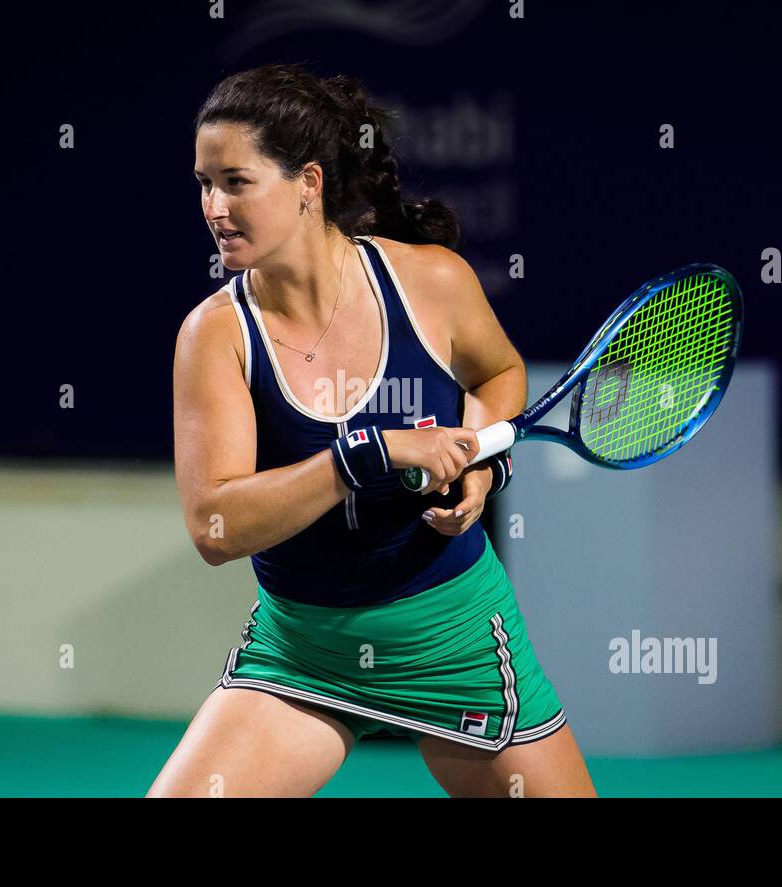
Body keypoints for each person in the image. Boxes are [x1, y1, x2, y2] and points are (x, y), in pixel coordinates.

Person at [149, 64, 596, 797]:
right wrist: (365, 458)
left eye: (236, 181)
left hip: (450, 634)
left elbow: (496, 374)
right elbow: (215, 526)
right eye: (203, 183)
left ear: (309, 183)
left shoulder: (433, 282)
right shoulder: (214, 335)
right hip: (303, 651)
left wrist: (482, 465)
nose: (213, 206)